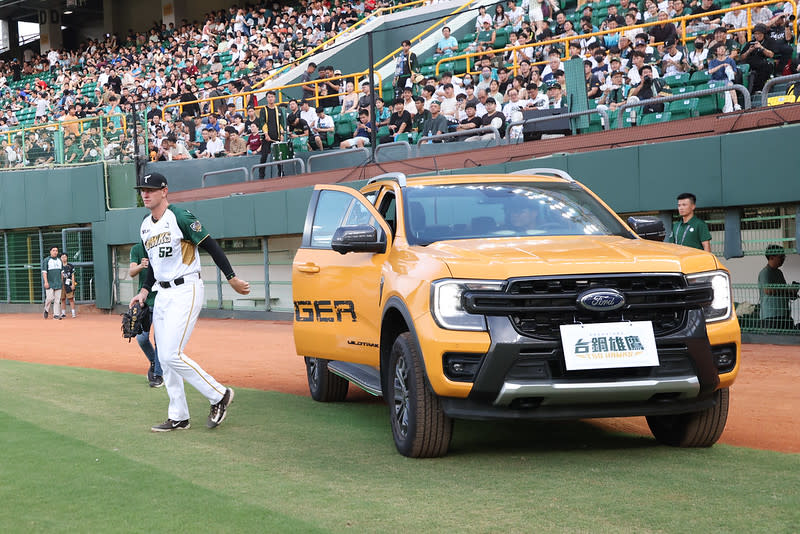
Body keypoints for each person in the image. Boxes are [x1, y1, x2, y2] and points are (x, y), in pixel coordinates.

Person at [130, 172, 250, 431]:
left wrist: (231, 277)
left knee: (172, 353)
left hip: (186, 288)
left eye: (150, 189)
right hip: (161, 294)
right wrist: (143, 291)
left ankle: (219, 395)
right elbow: (153, 265)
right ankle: (179, 416)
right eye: (142, 189)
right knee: (164, 355)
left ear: (165, 191)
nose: (145, 193)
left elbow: (211, 246)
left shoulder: (180, 217)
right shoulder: (145, 226)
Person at [129, 242, 163, 388]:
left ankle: (158, 374)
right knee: (142, 338)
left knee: (159, 340)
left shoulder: (162, 245)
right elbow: (131, 272)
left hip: (162, 299)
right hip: (145, 301)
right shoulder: (137, 249)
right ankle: (154, 361)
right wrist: (141, 266)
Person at [758, 245, 799, 331]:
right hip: (770, 316)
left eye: (784, 256)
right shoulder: (765, 273)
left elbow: (782, 291)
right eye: (781, 256)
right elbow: (768, 290)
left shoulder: (779, 273)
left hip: (783, 314)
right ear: (772, 257)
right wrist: (786, 290)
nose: (783, 259)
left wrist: (792, 293)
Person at [258, 91, 282, 179]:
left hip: (277, 136)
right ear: (266, 98)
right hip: (267, 137)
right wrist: (266, 134)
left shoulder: (278, 109)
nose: (270, 98)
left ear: (275, 98)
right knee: (264, 156)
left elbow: (281, 123)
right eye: (269, 97)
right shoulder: (263, 110)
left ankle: (281, 173)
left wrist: (281, 134)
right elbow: (262, 123)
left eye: (272, 97)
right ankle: (261, 175)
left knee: (279, 156)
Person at [41, 246, 63, 320]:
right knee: (50, 298)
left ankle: (56, 314)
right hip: (50, 283)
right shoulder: (46, 260)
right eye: (53, 250)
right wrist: (46, 282)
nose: (55, 252)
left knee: (57, 300)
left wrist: (61, 281)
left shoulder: (60, 260)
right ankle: (46, 309)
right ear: (50, 251)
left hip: (58, 283)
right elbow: (44, 272)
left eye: (56, 250)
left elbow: (61, 273)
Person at [59, 253, 77, 319]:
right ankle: (63, 313)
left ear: (67, 258)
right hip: (61, 285)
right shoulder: (59, 266)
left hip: (68, 284)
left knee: (71, 298)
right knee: (62, 299)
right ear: (60, 258)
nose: (64, 258)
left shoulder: (70, 266)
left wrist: (73, 284)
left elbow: (72, 275)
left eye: (65, 257)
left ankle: (73, 313)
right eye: (62, 257)